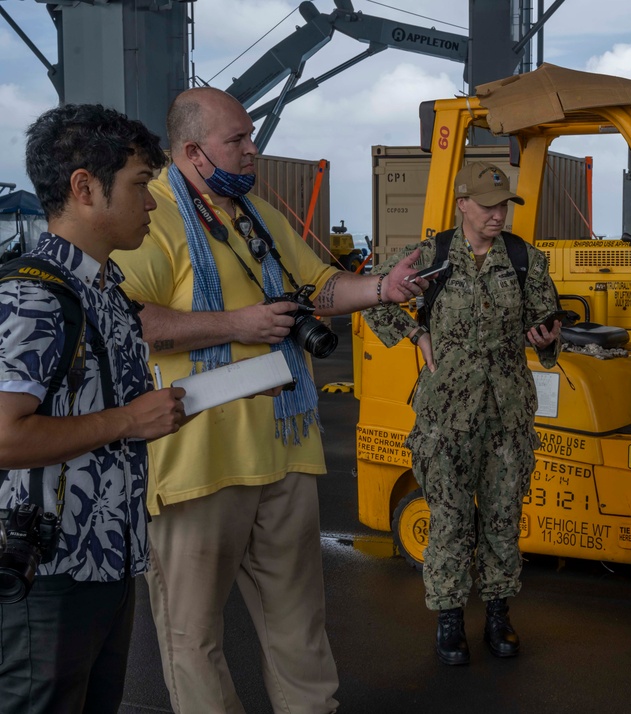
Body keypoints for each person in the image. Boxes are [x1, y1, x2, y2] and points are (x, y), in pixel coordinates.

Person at [113, 86, 425, 713]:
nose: (253, 151)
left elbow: (320, 286)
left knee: (300, 627)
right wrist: (239, 324)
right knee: (192, 637)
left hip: (283, 456)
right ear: (195, 151)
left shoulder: (253, 213)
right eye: (240, 140)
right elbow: (127, 317)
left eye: (252, 137)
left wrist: (384, 288)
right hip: (200, 462)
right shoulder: (154, 217)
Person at [0, 104, 187, 712]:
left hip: (106, 558)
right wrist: (132, 420)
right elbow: (4, 436)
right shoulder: (34, 296)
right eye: (140, 186)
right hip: (48, 573)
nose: (152, 204)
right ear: (85, 187)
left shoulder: (105, 290)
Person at [363, 161, 562, 666]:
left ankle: (498, 614)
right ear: (463, 205)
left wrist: (548, 340)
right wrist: (416, 333)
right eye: (489, 206)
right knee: (449, 521)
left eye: (504, 206)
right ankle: (449, 619)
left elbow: (546, 322)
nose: (498, 215)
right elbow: (375, 297)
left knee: (501, 518)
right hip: (444, 414)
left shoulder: (523, 260)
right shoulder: (429, 257)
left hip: (507, 414)